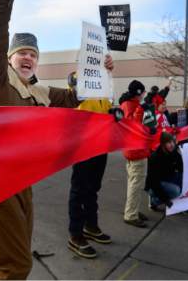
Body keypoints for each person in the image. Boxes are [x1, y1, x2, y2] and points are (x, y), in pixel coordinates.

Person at [0, 0, 114, 279]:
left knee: (20, 257)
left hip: (22, 181)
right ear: (10, 59)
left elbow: (74, 96)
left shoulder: (39, 91)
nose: (28, 57)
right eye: (22, 52)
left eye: (33, 54)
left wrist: (101, 73)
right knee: (15, 266)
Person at [66, 72, 113, 259]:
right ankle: (75, 235)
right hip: (83, 146)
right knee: (79, 190)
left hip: (101, 147)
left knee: (93, 188)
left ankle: (90, 226)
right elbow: (73, 91)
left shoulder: (104, 89)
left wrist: (114, 114)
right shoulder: (79, 79)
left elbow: (107, 112)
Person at [119, 80, 150, 228]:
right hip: (136, 150)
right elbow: (134, 127)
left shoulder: (125, 104)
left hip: (131, 150)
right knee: (135, 184)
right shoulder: (134, 107)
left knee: (133, 182)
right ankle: (131, 215)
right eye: (142, 92)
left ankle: (133, 210)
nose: (144, 95)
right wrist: (141, 111)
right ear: (138, 93)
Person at [145, 132, 182, 211]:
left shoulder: (174, 152)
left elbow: (181, 168)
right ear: (163, 145)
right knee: (176, 191)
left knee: (183, 178)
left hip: (166, 178)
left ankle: (180, 203)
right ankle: (154, 202)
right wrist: (165, 200)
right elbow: (153, 182)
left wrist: (180, 155)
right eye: (168, 142)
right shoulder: (155, 157)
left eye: (172, 142)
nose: (172, 144)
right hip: (154, 185)